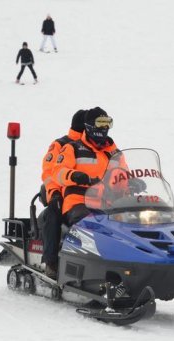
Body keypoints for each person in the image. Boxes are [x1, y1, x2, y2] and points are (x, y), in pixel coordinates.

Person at [52, 108, 119, 274]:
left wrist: (133, 183)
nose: (104, 127)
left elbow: (122, 176)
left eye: (107, 122)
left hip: (106, 203)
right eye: (100, 123)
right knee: (90, 224)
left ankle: (126, 267)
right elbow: (58, 172)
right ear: (89, 126)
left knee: (128, 227)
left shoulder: (114, 152)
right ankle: (84, 270)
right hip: (78, 201)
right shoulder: (72, 148)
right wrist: (76, 176)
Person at [40, 109, 87, 277]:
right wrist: (54, 194)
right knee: (53, 214)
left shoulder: (94, 146)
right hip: (58, 192)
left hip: (87, 195)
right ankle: (50, 261)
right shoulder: (61, 144)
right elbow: (49, 173)